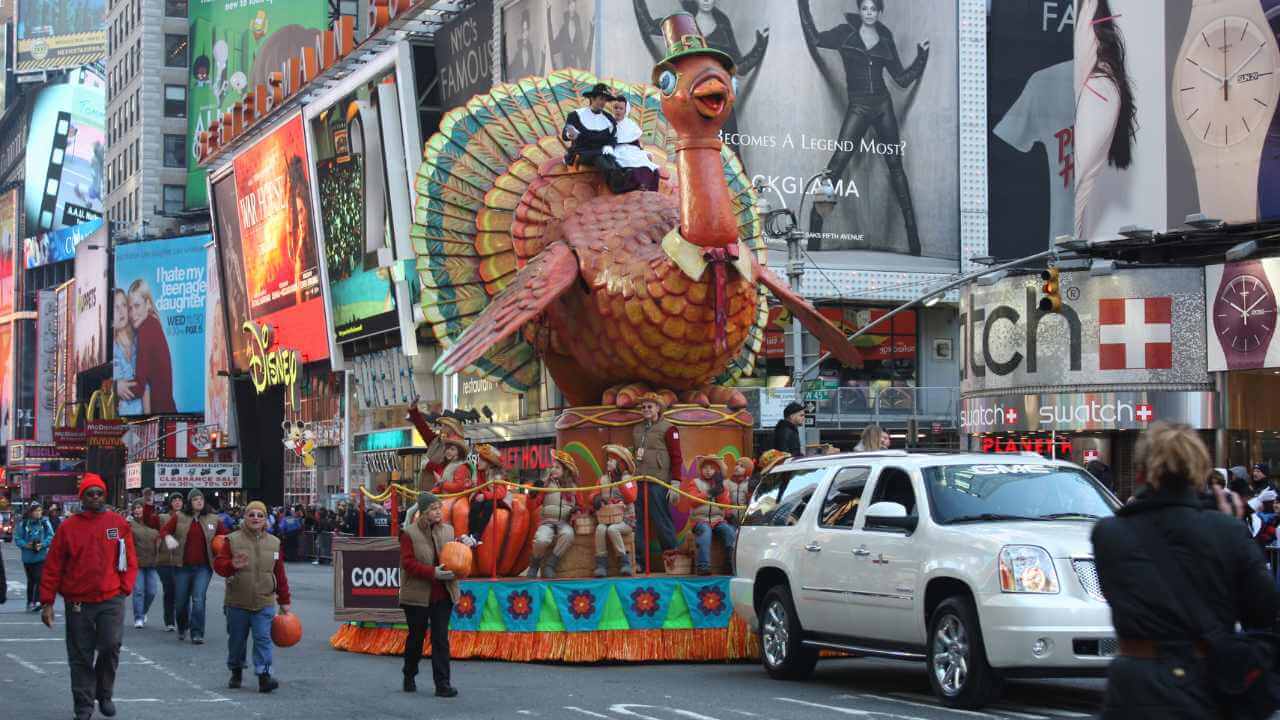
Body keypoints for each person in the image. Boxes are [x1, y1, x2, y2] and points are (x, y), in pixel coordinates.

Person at [1091, 422, 1279, 718]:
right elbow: (1262, 609)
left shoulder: (1108, 533)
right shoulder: (1224, 530)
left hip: (1131, 684)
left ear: (1141, 473)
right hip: (1202, 680)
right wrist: (1236, 528)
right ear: (1198, 473)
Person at [798, 0, 929, 254]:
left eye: (874, 9)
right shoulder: (844, 32)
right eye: (865, 8)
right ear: (860, 10)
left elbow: (901, 79)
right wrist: (803, 6)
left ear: (879, 12)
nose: (869, 13)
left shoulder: (886, 36)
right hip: (858, 106)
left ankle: (914, 241)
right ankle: (814, 238)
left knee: (896, 166)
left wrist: (921, 57)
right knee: (836, 165)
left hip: (883, 106)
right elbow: (815, 39)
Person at [39, 473, 137, 720]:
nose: (95, 498)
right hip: (78, 601)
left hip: (111, 597)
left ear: (105, 495)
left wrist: (124, 587)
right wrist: (47, 602)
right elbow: (53, 566)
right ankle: (83, 706)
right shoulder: (68, 528)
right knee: (80, 655)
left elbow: (130, 560)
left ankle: (104, 693)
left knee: (110, 646)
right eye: (89, 494)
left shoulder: (117, 524)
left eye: (99, 493)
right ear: (82, 498)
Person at [212, 501, 291, 693]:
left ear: (265, 520)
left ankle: (264, 676)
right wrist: (231, 565)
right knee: (237, 640)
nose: (256, 518)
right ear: (245, 517)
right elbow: (219, 566)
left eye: (260, 515)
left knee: (263, 638)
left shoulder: (274, 543)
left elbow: (279, 573)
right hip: (237, 601)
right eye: (251, 514)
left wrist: (284, 600)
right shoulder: (232, 539)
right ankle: (236, 670)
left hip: (264, 601)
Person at [400, 492, 471, 698]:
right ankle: (409, 674)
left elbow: (454, 552)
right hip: (417, 596)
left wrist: (465, 542)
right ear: (423, 512)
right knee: (416, 638)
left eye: (439, 508)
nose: (438, 511)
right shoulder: (409, 534)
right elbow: (407, 563)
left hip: (443, 594)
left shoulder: (448, 530)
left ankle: (443, 684)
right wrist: (432, 572)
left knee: (441, 640)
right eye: (433, 508)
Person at [147, 488, 226, 643]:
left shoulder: (213, 519)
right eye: (195, 499)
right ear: (190, 502)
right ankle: (182, 626)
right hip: (181, 566)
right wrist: (168, 538)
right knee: (181, 601)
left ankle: (197, 633)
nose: (199, 501)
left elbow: (226, 537)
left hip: (203, 567)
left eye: (201, 499)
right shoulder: (179, 516)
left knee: (198, 599)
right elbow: (164, 531)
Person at [631, 392, 681, 573]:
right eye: (643, 407)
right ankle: (639, 562)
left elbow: (676, 457)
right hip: (639, 481)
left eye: (649, 406)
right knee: (638, 522)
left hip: (658, 481)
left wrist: (676, 482)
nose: (646, 409)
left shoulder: (669, 429)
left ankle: (673, 559)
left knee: (662, 520)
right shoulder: (636, 429)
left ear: (658, 408)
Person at [121, 278, 175, 413]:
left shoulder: (147, 330)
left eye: (137, 306)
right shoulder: (153, 325)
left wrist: (114, 388)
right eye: (130, 308)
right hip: (168, 413)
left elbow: (139, 387)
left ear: (148, 304)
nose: (132, 314)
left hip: (160, 418)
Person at [526, 449, 580, 579]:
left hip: (564, 523)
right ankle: (535, 564)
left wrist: (576, 511)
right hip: (547, 522)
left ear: (565, 470)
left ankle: (551, 564)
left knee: (568, 534)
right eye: (552, 467)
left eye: (557, 467)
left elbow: (581, 506)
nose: (553, 469)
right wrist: (533, 494)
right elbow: (532, 505)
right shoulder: (546, 484)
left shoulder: (573, 487)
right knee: (541, 539)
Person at [678, 455, 735, 575]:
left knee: (729, 532)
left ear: (717, 471)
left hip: (717, 519)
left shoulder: (722, 484)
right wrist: (709, 493)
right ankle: (703, 565)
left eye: (712, 468)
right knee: (705, 533)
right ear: (701, 470)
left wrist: (720, 491)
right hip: (700, 519)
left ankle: (730, 563)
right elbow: (692, 501)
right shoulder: (695, 482)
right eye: (705, 468)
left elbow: (724, 505)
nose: (708, 471)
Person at [592, 445, 639, 577]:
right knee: (601, 529)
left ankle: (624, 562)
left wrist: (620, 483)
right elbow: (593, 494)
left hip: (626, 521)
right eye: (609, 460)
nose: (608, 462)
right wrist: (596, 498)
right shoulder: (603, 479)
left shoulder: (628, 480)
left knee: (613, 529)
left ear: (621, 464)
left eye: (612, 460)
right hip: (605, 519)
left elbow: (632, 497)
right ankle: (601, 563)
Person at [603, 95, 660, 194]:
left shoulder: (631, 124)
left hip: (632, 150)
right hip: (617, 150)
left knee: (645, 162)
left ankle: (645, 185)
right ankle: (636, 184)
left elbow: (636, 142)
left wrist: (642, 151)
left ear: (625, 110)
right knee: (627, 162)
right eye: (616, 108)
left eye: (621, 108)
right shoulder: (608, 123)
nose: (618, 111)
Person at [150, 491, 187, 632]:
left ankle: (184, 621)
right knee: (170, 591)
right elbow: (149, 520)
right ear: (170, 503)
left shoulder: (187, 518)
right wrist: (148, 503)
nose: (177, 502)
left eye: (180, 499)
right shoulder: (163, 518)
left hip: (183, 560)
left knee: (184, 592)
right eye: (174, 500)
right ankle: (169, 621)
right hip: (165, 561)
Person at [561, 83, 618, 170]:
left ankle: (618, 178)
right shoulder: (576, 115)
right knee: (599, 157)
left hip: (602, 153)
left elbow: (613, 137)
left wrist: (610, 146)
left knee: (611, 158)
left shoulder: (609, 119)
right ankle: (616, 178)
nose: (603, 102)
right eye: (601, 99)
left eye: (605, 100)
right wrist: (571, 134)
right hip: (582, 153)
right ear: (592, 98)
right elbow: (565, 135)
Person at [15, 503, 55, 612]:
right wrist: (26, 545)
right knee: (31, 580)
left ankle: (37, 600)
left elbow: (51, 536)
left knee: (39, 578)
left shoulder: (45, 522)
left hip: (41, 556)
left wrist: (42, 544)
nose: (38, 513)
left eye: (40, 511)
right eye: (36, 511)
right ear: (31, 512)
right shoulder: (23, 523)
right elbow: (17, 538)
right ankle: (29, 602)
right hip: (27, 557)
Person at [110, 288, 144, 415]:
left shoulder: (141, 338)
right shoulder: (108, 350)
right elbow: (96, 389)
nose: (121, 311)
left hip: (151, 416)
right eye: (116, 307)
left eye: (124, 305)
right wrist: (115, 387)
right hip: (122, 422)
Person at [127, 499, 160, 628]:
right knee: (139, 591)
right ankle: (138, 617)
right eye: (135, 508)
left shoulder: (153, 523)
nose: (137, 510)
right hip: (137, 563)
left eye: (140, 507)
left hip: (152, 563)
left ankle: (144, 611)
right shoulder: (130, 524)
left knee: (152, 591)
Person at [546, 0, 593, 69]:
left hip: (575, 74)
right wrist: (548, 13)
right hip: (565, 73)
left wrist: (592, 30)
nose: (572, 9)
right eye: (571, 6)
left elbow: (585, 56)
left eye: (574, 7)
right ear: (568, 7)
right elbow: (552, 47)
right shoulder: (563, 32)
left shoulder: (578, 33)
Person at [725, 456, 754, 524]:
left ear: (747, 470)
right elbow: (723, 501)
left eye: (741, 466)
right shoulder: (727, 483)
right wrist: (727, 512)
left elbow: (751, 503)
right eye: (736, 464)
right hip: (730, 519)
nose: (737, 467)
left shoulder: (750, 484)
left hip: (745, 519)